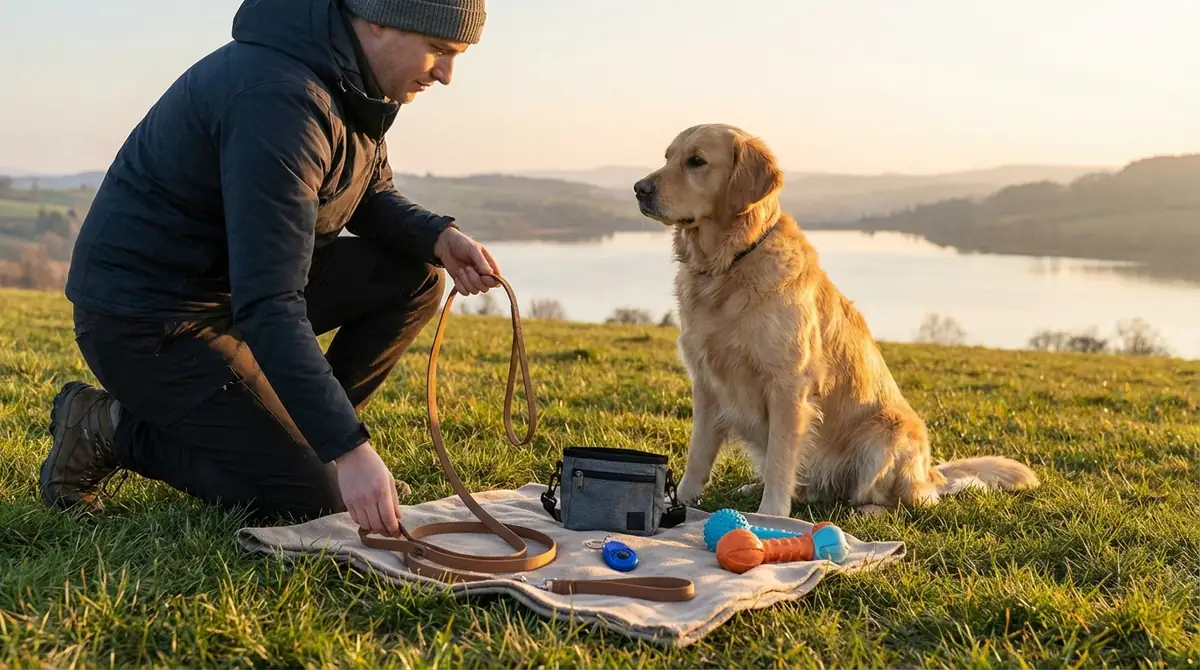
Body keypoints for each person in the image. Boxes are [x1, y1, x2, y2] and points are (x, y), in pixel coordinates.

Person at [38, 0, 497, 536]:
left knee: (416, 276)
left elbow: (366, 192)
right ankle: (106, 427)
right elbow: (270, 304)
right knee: (314, 501)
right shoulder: (282, 99)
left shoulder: (348, 80)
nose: (446, 75)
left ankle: (301, 438)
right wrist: (348, 450)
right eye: (440, 50)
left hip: (227, 291)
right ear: (378, 20)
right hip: (149, 319)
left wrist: (437, 236)